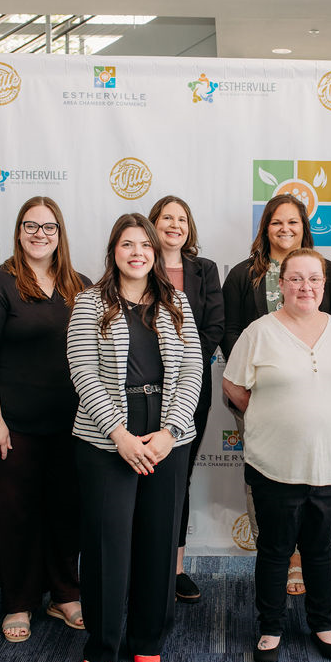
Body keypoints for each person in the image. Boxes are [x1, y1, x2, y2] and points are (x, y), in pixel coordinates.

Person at [67, 213, 202, 662]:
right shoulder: (89, 302)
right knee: (107, 542)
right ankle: (102, 642)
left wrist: (170, 432)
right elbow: (82, 373)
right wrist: (118, 435)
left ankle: (148, 637)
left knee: (159, 539)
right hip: (107, 437)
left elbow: (193, 369)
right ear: (114, 252)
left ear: (155, 252)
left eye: (145, 245)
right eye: (127, 244)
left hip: (168, 435)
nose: (137, 253)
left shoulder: (176, 301)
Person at [222, 248, 331, 662]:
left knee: (320, 550)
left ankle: (322, 623)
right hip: (274, 465)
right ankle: (271, 628)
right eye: (295, 278)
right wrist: (268, 416)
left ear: (324, 284)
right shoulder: (259, 332)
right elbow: (233, 385)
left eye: (314, 279)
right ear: (280, 285)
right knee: (275, 550)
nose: (305, 287)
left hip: (329, 464)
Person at [0, 196, 90, 642]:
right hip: (12, 425)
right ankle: (18, 603)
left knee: (66, 512)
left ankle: (65, 595)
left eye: (49, 227)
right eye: (31, 226)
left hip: (72, 425)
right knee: (17, 515)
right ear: (19, 232)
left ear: (60, 233)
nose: (40, 234)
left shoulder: (79, 285)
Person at [220, 193, 331, 596]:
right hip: (257, 393)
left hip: (313, 398)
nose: (285, 229)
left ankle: (301, 561)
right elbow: (230, 331)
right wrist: (255, 394)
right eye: (277, 222)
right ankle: (277, 556)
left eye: (293, 222)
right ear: (265, 227)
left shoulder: (329, 272)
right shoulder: (243, 274)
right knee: (267, 483)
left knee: (312, 485)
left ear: (304, 228)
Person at [148, 195, 224, 604]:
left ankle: (175, 568)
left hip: (190, 389)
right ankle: (140, 564)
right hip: (139, 388)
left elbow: (214, 327)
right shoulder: (138, 262)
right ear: (153, 223)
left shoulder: (204, 270)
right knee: (139, 475)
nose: (174, 225)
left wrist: (182, 366)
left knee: (179, 476)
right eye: (166, 218)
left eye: (181, 219)